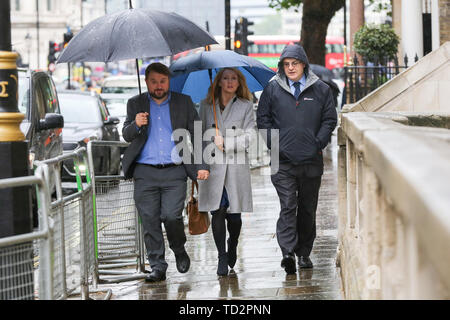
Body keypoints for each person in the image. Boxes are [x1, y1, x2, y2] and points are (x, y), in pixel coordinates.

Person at [121, 62, 210, 282]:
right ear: (147, 82)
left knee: (171, 216)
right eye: (154, 81)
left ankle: (179, 249)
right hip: (144, 172)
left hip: (175, 171)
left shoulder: (184, 102)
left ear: (168, 81)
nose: (158, 86)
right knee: (149, 220)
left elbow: (197, 133)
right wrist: (136, 124)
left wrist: (202, 166)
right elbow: (126, 134)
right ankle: (158, 265)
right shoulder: (135, 104)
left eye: (162, 81)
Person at [256, 44, 337, 274]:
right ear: (282, 66)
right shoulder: (272, 90)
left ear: (304, 65)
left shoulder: (321, 89)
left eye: (295, 63)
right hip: (282, 162)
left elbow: (330, 120)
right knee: (288, 205)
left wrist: (317, 143)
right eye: (286, 64)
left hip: (311, 161)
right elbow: (263, 121)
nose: (290, 68)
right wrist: (275, 146)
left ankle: (304, 253)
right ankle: (287, 253)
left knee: (308, 209)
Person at [197, 68, 256, 277]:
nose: (230, 82)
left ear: (239, 83)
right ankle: (222, 255)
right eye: (225, 78)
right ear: (219, 82)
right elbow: (198, 137)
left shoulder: (246, 106)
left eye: (234, 78)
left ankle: (233, 243)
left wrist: (227, 142)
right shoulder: (206, 106)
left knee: (235, 217)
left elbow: (251, 136)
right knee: (218, 211)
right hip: (212, 167)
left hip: (235, 166)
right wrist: (199, 166)